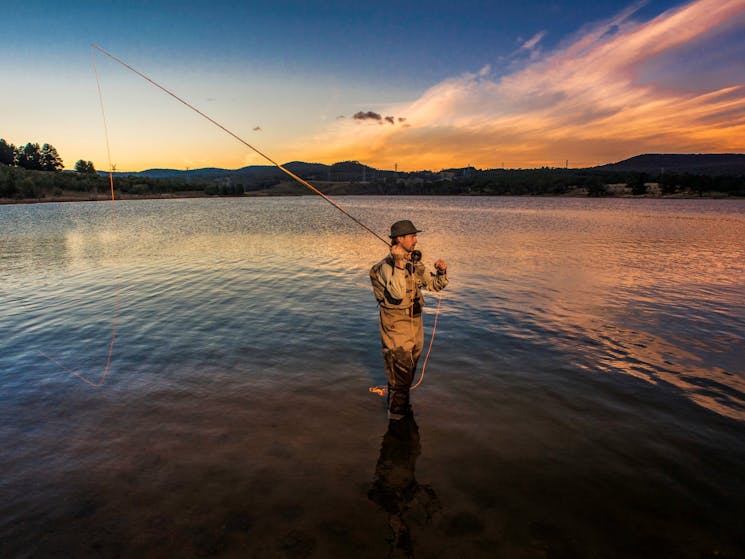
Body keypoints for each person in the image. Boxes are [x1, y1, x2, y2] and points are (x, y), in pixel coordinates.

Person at [369, 220, 448, 420]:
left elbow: (434, 285)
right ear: (399, 239)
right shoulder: (384, 268)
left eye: (415, 236)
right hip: (396, 329)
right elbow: (396, 293)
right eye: (412, 236)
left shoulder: (414, 265)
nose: (415, 240)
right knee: (400, 373)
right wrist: (398, 263)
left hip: (415, 325)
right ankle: (397, 420)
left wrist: (441, 272)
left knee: (408, 373)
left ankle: (399, 409)